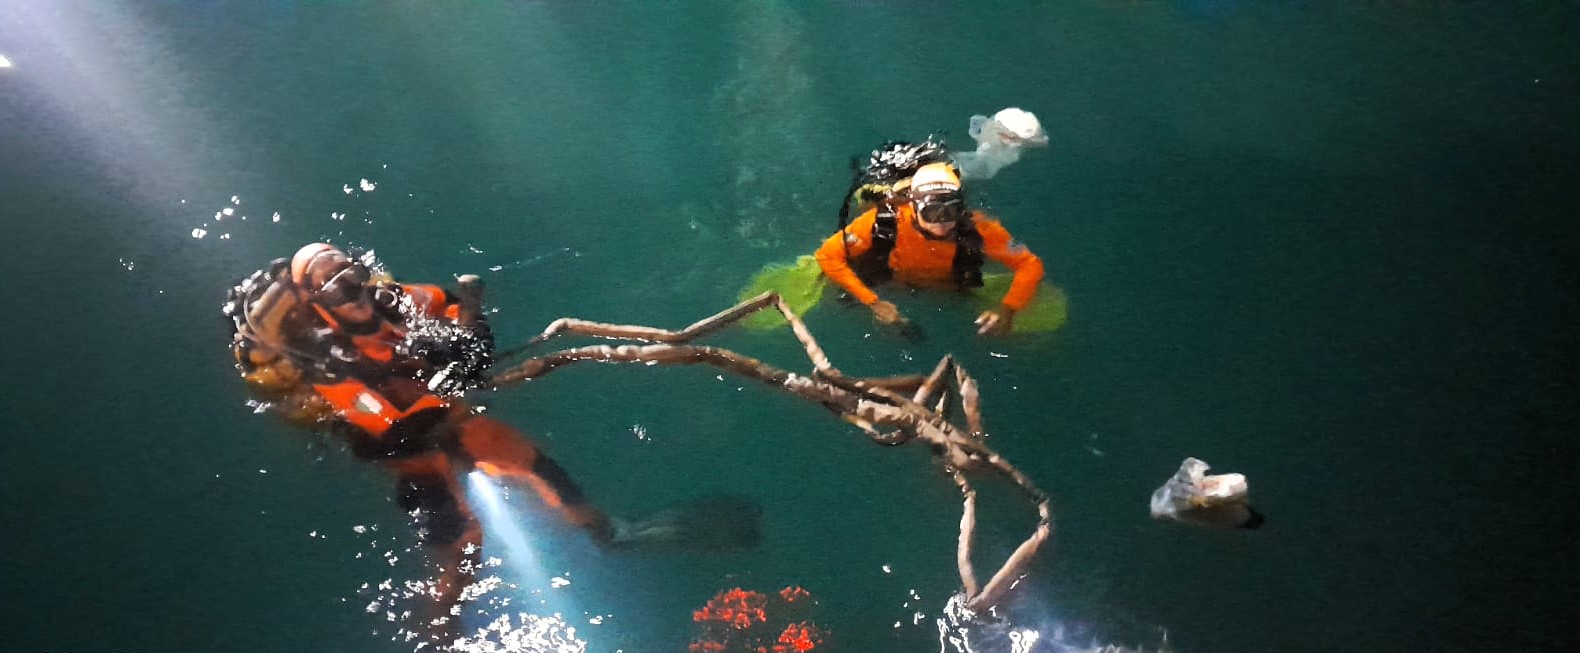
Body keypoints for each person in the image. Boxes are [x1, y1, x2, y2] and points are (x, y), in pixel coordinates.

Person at [223, 244, 758, 646]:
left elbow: (452, 305)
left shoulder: (396, 301)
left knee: (548, 477)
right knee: (461, 544)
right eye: (336, 286)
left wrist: (470, 337)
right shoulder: (327, 360)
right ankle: (442, 629)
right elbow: (386, 426)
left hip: (447, 412)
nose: (353, 289)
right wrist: (442, 386)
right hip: (406, 449)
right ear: (318, 301)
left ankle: (612, 536)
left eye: (353, 275)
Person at [814, 161, 1045, 336]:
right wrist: (872, 302)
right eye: (932, 212)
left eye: (951, 210)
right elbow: (827, 255)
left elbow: (1029, 264)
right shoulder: (883, 221)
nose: (942, 222)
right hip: (888, 280)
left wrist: (1008, 309)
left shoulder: (981, 229)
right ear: (913, 206)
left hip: (945, 287)